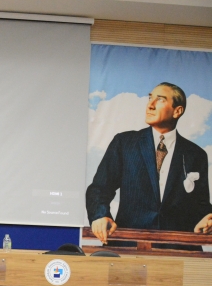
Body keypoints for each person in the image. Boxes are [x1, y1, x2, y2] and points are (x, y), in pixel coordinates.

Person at [86, 82, 212, 247]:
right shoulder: (124, 143)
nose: (150, 105)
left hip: (179, 250)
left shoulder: (196, 154)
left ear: (177, 111)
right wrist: (100, 216)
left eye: (160, 100)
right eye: (150, 98)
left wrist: (207, 218)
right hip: (128, 247)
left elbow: (200, 205)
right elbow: (99, 189)